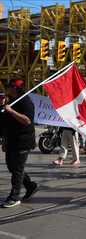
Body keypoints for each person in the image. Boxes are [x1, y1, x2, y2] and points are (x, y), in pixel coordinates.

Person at [1, 79, 39, 208]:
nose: (7, 88)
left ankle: (14, 197)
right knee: (12, 167)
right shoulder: (11, 101)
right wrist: (4, 140)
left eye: (9, 86)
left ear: (15, 88)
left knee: (17, 170)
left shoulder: (25, 101)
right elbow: (8, 123)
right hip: (12, 140)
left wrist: (11, 111)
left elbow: (27, 120)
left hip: (22, 141)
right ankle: (31, 186)